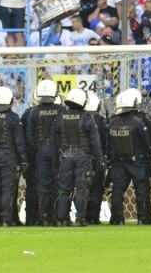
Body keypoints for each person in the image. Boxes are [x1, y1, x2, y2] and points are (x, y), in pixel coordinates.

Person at [52, 89, 103, 227]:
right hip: (83, 156)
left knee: (63, 189)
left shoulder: (60, 117)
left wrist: (56, 159)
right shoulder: (87, 118)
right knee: (82, 189)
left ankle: (61, 219)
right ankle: (80, 218)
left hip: (65, 156)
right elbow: (95, 142)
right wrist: (99, 161)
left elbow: (54, 140)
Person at [0, 87, 27, 227]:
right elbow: (19, 142)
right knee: (7, 188)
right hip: (7, 155)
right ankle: (5, 219)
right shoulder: (13, 117)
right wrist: (23, 160)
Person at [107, 90, 151, 224]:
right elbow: (146, 142)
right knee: (140, 190)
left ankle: (117, 219)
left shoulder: (112, 122)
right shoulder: (137, 122)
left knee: (117, 190)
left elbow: (108, 143)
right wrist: (146, 156)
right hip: (135, 161)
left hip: (117, 162)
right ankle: (142, 219)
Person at [26, 79, 60, 227]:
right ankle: (58, 216)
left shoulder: (34, 112)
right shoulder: (62, 110)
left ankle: (44, 217)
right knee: (59, 184)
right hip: (58, 151)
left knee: (43, 185)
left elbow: (29, 135)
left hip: (42, 150)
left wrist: (37, 147)